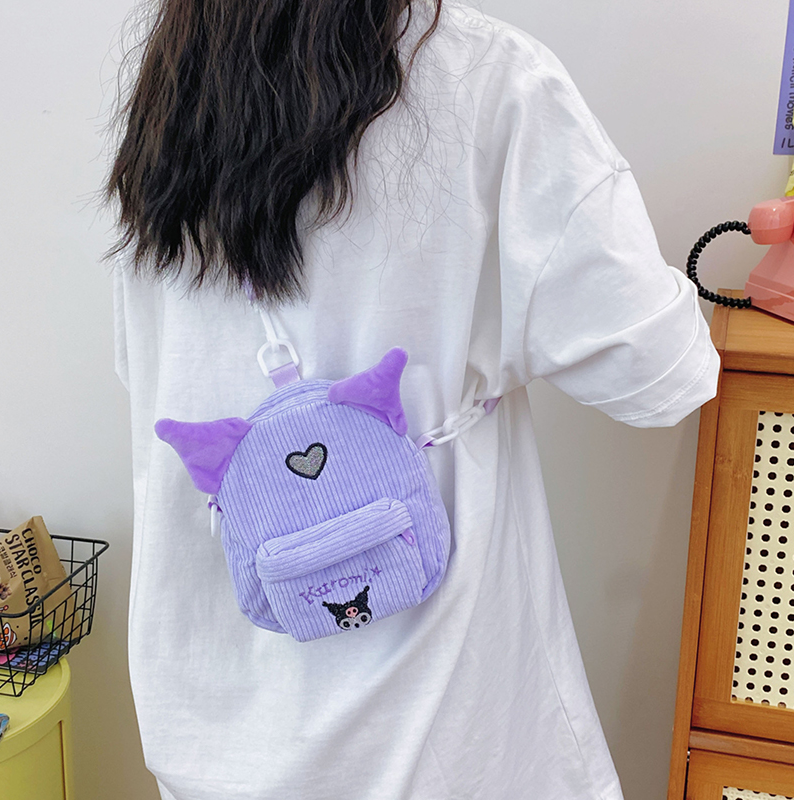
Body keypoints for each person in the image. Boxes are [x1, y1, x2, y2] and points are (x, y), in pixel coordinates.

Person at [109, 1, 719, 798]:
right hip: (435, 727)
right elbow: (661, 375)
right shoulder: (490, 77)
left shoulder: (169, 96)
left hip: (213, 725)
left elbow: (146, 371)